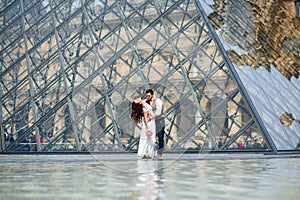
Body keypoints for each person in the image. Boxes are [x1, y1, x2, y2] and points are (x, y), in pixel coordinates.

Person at [145, 89, 165, 160]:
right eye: (147, 96)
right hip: (153, 121)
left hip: (159, 120)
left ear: (152, 95)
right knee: (150, 137)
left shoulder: (158, 101)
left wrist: (151, 117)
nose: (147, 97)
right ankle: (149, 153)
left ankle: (159, 154)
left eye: (149, 96)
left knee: (160, 137)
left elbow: (158, 112)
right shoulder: (148, 102)